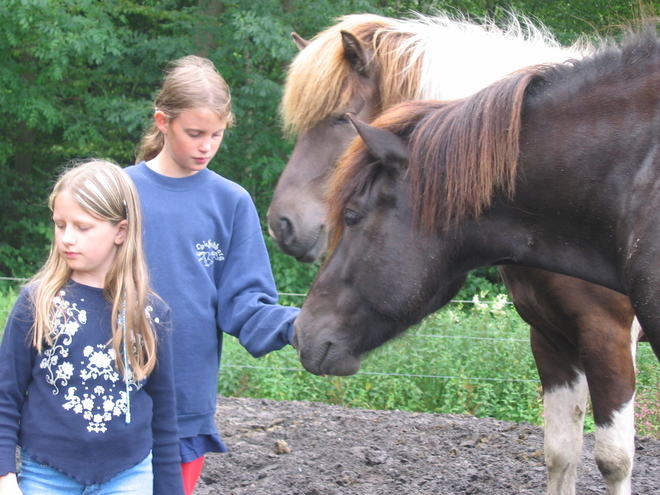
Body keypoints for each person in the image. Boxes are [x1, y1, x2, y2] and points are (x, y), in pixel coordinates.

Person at [126, 55, 300, 495]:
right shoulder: (118, 191)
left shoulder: (231, 202)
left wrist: (296, 325)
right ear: (162, 122)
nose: (206, 146)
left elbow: (244, 302)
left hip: (185, 396)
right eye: (195, 133)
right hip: (112, 387)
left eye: (216, 135)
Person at [0, 160, 185, 495]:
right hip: (45, 477)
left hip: (129, 478)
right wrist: (4, 478)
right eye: (60, 225)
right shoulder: (38, 303)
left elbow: (165, 416)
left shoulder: (151, 314)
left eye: (82, 227)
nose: (67, 238)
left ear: (121, 231)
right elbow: (4, 395)